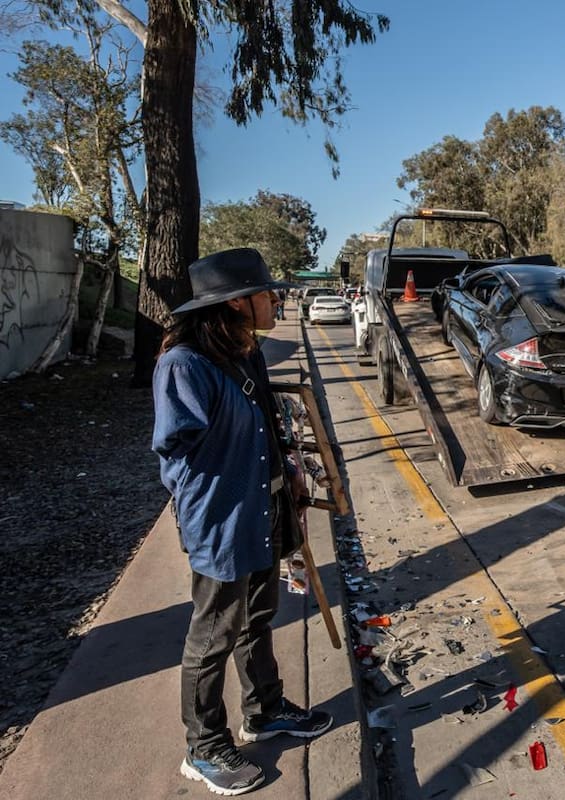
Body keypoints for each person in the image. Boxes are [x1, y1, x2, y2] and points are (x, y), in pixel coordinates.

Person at [152, 248, 332, 797]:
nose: (275, 299)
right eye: (266, 292)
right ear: (236, 303)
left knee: (259, 616)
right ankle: (203, 747)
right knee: (213, 633)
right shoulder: (185, 363)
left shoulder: (245, 351)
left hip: (266, 506)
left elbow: (265, 425)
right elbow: (174, 455)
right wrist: (210, 509)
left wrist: (291, 477)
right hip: (223, 521)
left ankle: (264, 710)